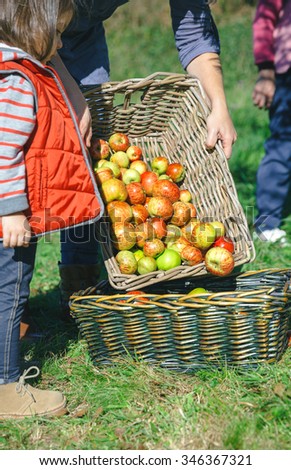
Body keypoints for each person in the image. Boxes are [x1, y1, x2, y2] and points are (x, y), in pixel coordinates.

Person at [53, 0, 237, 311]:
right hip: (21, 28)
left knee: (88, 155)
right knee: (30, 151)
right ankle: (12, 302)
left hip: (81, 34)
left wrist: (219, 106)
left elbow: (194, 32)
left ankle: (79, 289)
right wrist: (69, 91)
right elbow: (26, 18)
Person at [0, 0, 103, 419]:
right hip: (9, 221)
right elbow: (4, 151)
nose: (61, 42)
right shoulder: (18, 80)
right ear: (34, 28)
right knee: (9, 296)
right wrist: (10, 211)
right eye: (57, 33)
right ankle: (6, 388)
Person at [252, 0, 291, 244]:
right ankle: (266, 224)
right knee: (283, 145)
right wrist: (266, 71)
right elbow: (265, 17)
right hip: (287, 73)